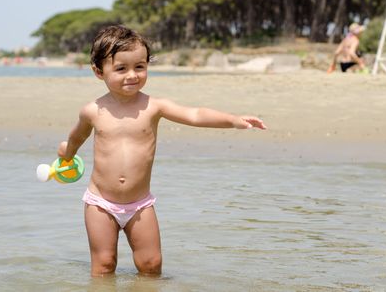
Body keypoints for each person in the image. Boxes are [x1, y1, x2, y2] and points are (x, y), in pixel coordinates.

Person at [57, 25, 267, 277]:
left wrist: (233, 120)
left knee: (151, 264)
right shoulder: (92, 111)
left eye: (140, 66)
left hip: (140, 204)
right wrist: (66, 155)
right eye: (121, 68)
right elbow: (76, 136)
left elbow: (195, 114)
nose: (132, 75)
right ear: (99, 72)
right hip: (100, 203)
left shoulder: (153, 106)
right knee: (104, 265)